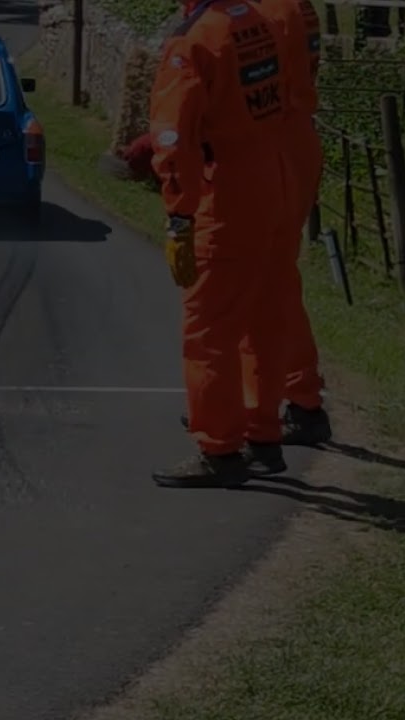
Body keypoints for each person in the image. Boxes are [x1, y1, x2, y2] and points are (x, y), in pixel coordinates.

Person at [148, 0, 298, 488]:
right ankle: (263, 433)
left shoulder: (193, 40)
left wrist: (179, 215)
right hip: (273, 180)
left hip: (227, 196)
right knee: (263, 318)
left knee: (209, 330)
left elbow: (173, 138)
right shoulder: (255, 19)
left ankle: (219, 448)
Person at [243, 0, 331, 446]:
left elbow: (256, 87)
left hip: (273, 142)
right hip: (292, 138)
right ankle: (289, 396)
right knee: (271, 280)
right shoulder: (292, 5)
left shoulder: (267, 12)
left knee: (259, 283)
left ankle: (284, 401)